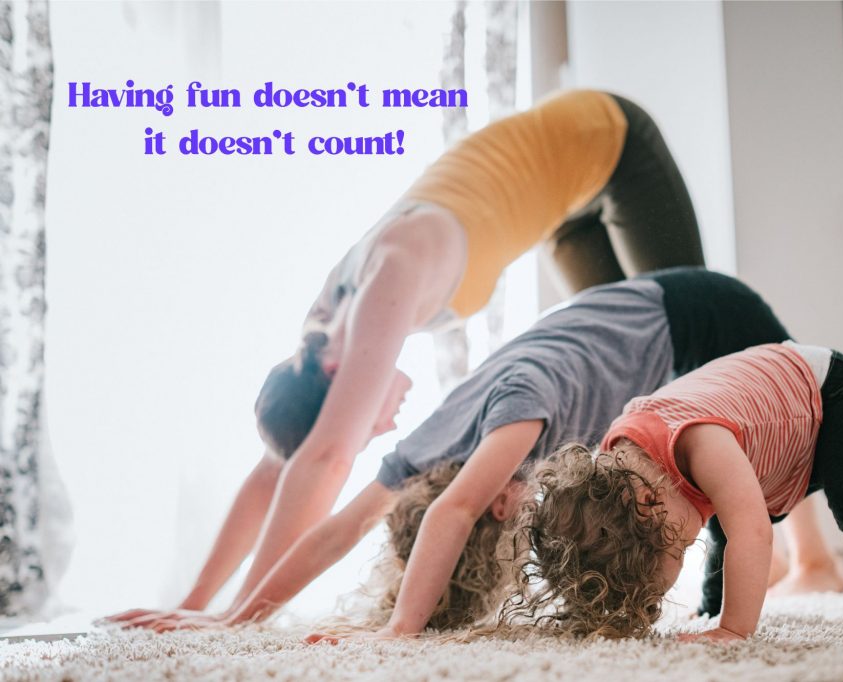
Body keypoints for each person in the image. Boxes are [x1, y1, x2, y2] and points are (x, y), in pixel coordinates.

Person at [103, 89, 704, 629]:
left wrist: (241, 615)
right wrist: (196, 601)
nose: (387, 426)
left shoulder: (387, 277)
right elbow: (279, 468)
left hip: (608, 142)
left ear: (339, 381)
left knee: (706, 358)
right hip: (563, 203)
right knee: (643, 378)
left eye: (367, 420)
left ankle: (800, 552)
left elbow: (327, 456)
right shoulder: (321, 335)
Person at [510, 342, 843, 642]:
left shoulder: (696, 442)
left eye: (679, 550)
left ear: (646, 503)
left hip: (832, 393)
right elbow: (714, 523)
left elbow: (750, 532)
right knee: (715, 514)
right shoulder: (628, 463)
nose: (687, 546)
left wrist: (733, 631)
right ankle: (711, 605)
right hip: (777, 435)